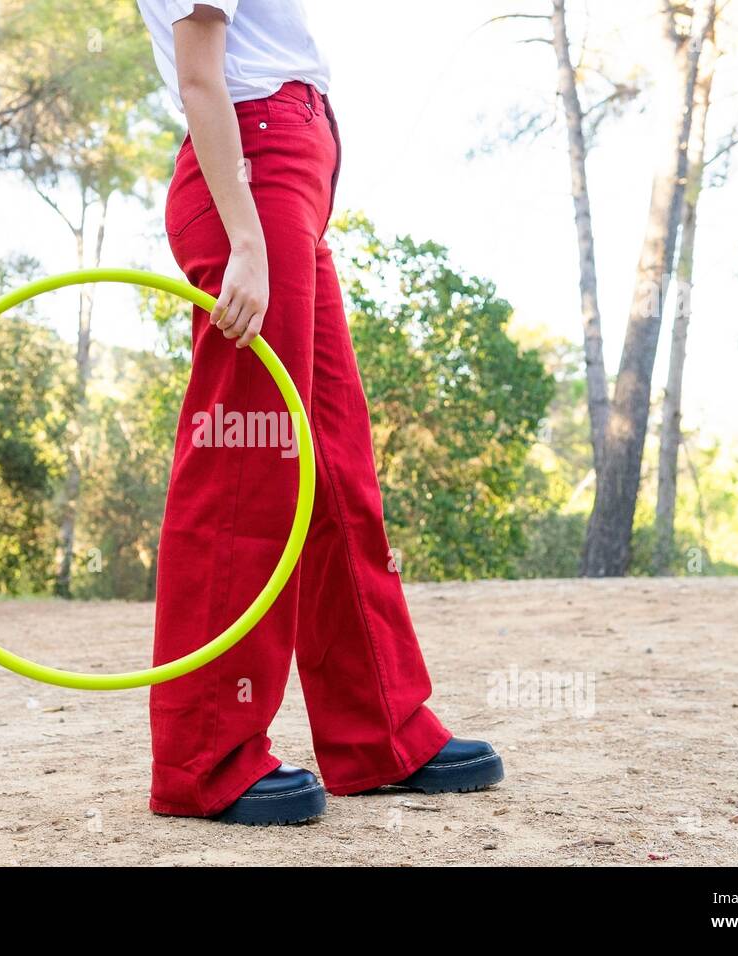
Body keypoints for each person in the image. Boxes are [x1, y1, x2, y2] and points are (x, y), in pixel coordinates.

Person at [136, 0, 504, 825]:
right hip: (251, 182)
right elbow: (202, 77)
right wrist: (246, 240)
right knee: (248, 468)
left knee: (334, 469)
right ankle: (206, 756)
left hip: (288, 182)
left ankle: (380, 732)